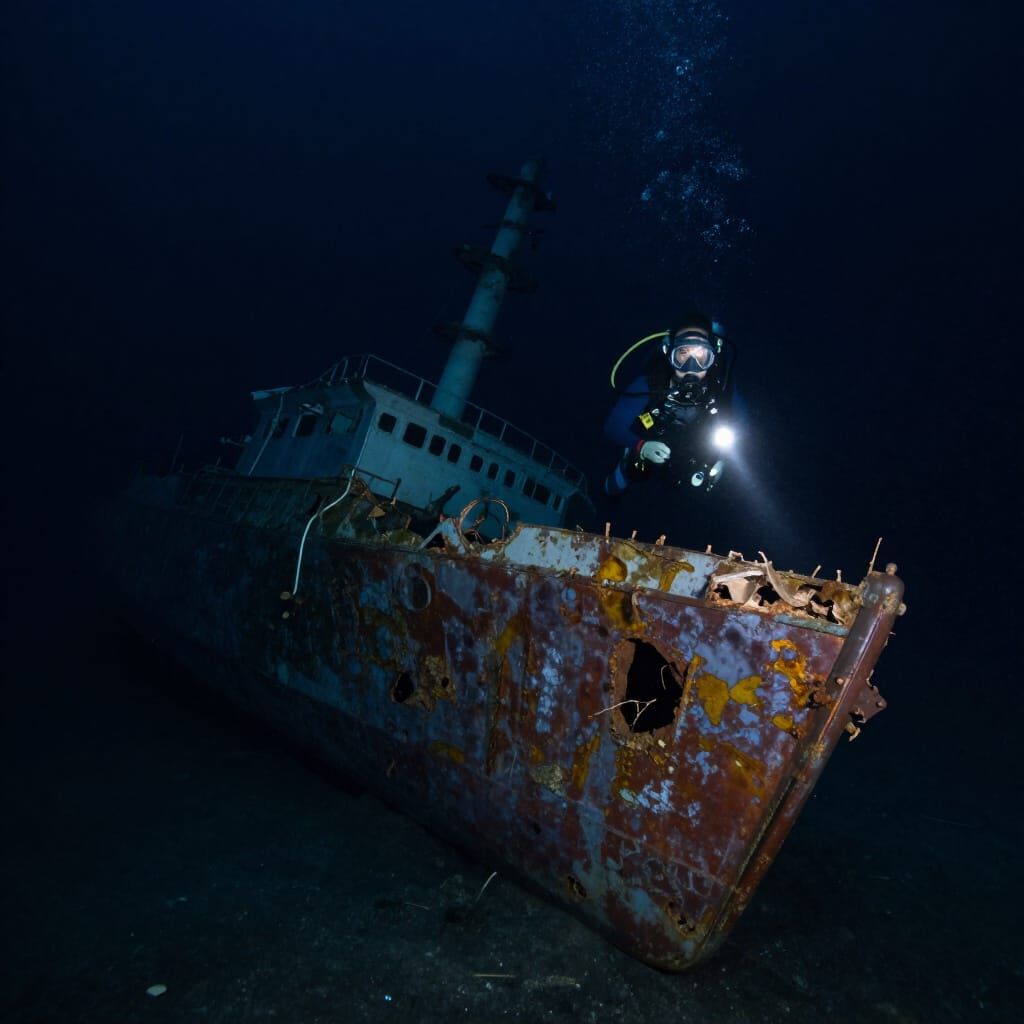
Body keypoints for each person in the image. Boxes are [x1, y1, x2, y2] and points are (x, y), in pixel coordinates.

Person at [603, 311, 736, 498]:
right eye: (683, 354)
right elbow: (613, 426)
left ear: (712, 358)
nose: (692, 366)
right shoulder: (650, 382)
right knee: (637, 472)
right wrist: (640, 445)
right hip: (651, 435)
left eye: (701, 356)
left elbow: (740, 429)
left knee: (681, 481)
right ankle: (624, 470)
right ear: (669, 354)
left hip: (691, 443)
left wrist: (720, 458)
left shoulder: (721, 388)